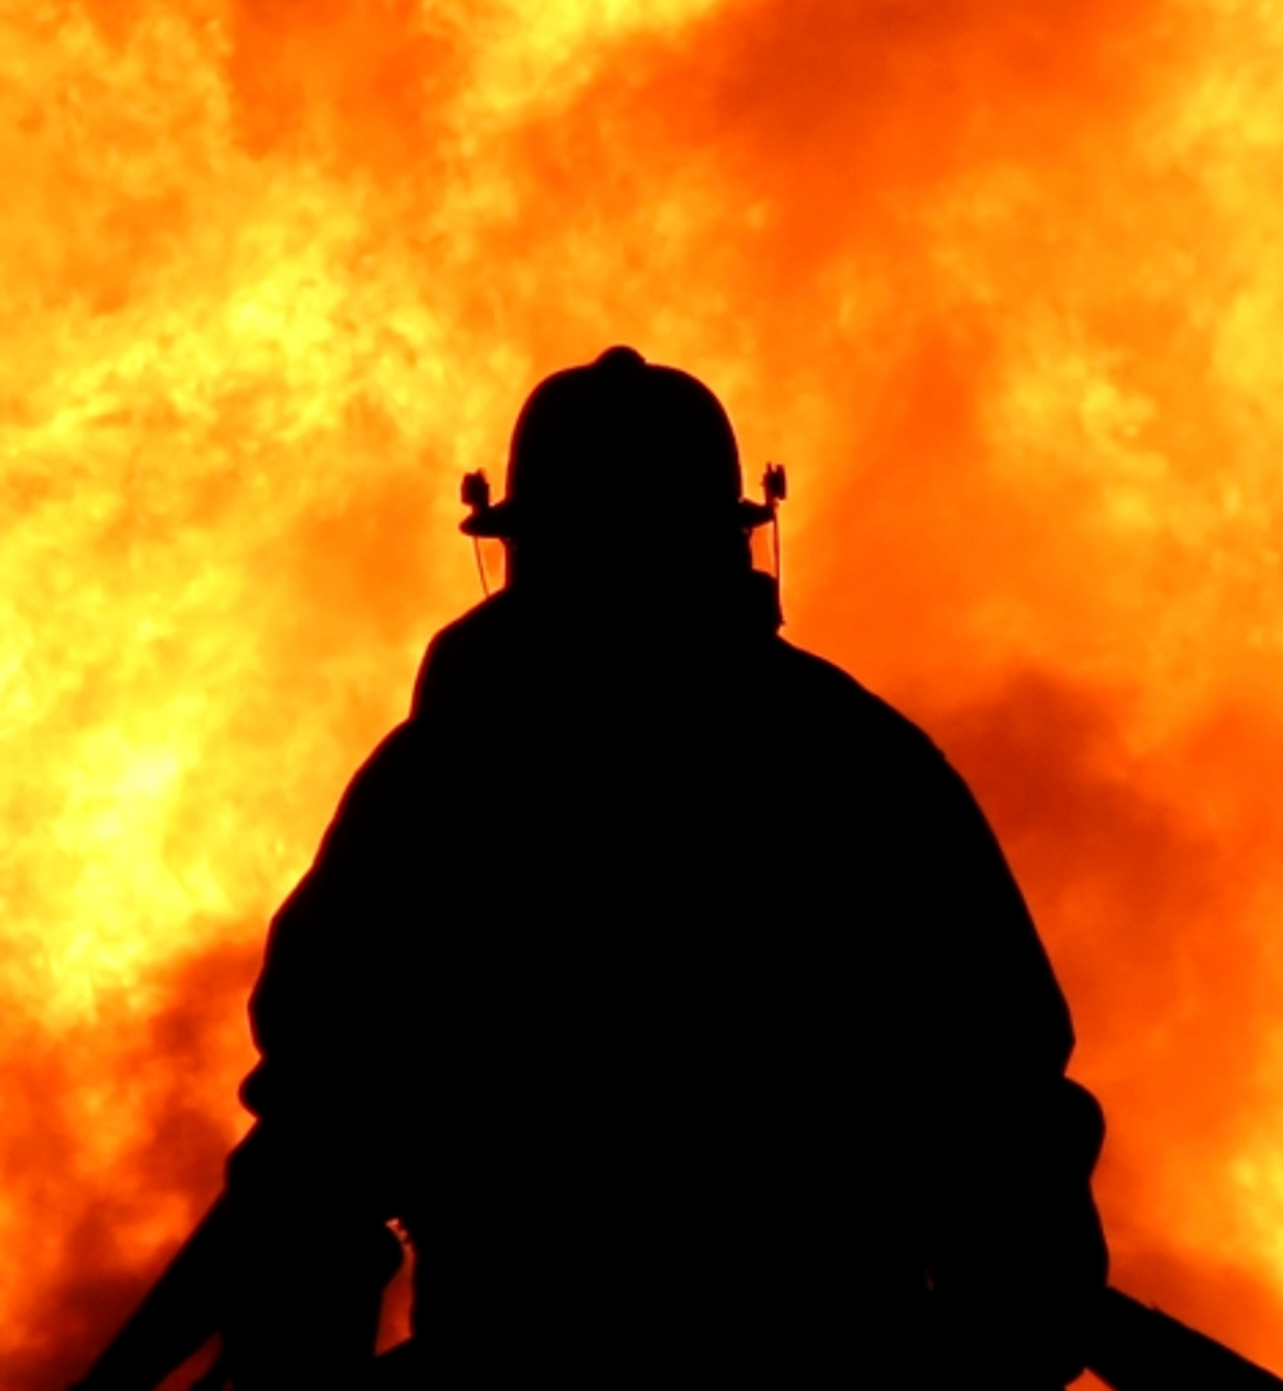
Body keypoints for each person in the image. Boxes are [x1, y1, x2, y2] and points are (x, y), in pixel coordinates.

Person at [80, 347, 1107, 1390]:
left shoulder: (438, 789)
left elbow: (313, 1161)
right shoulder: (866, 768)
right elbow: (1012, 1140)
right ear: (734, 540)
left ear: (522, 550)